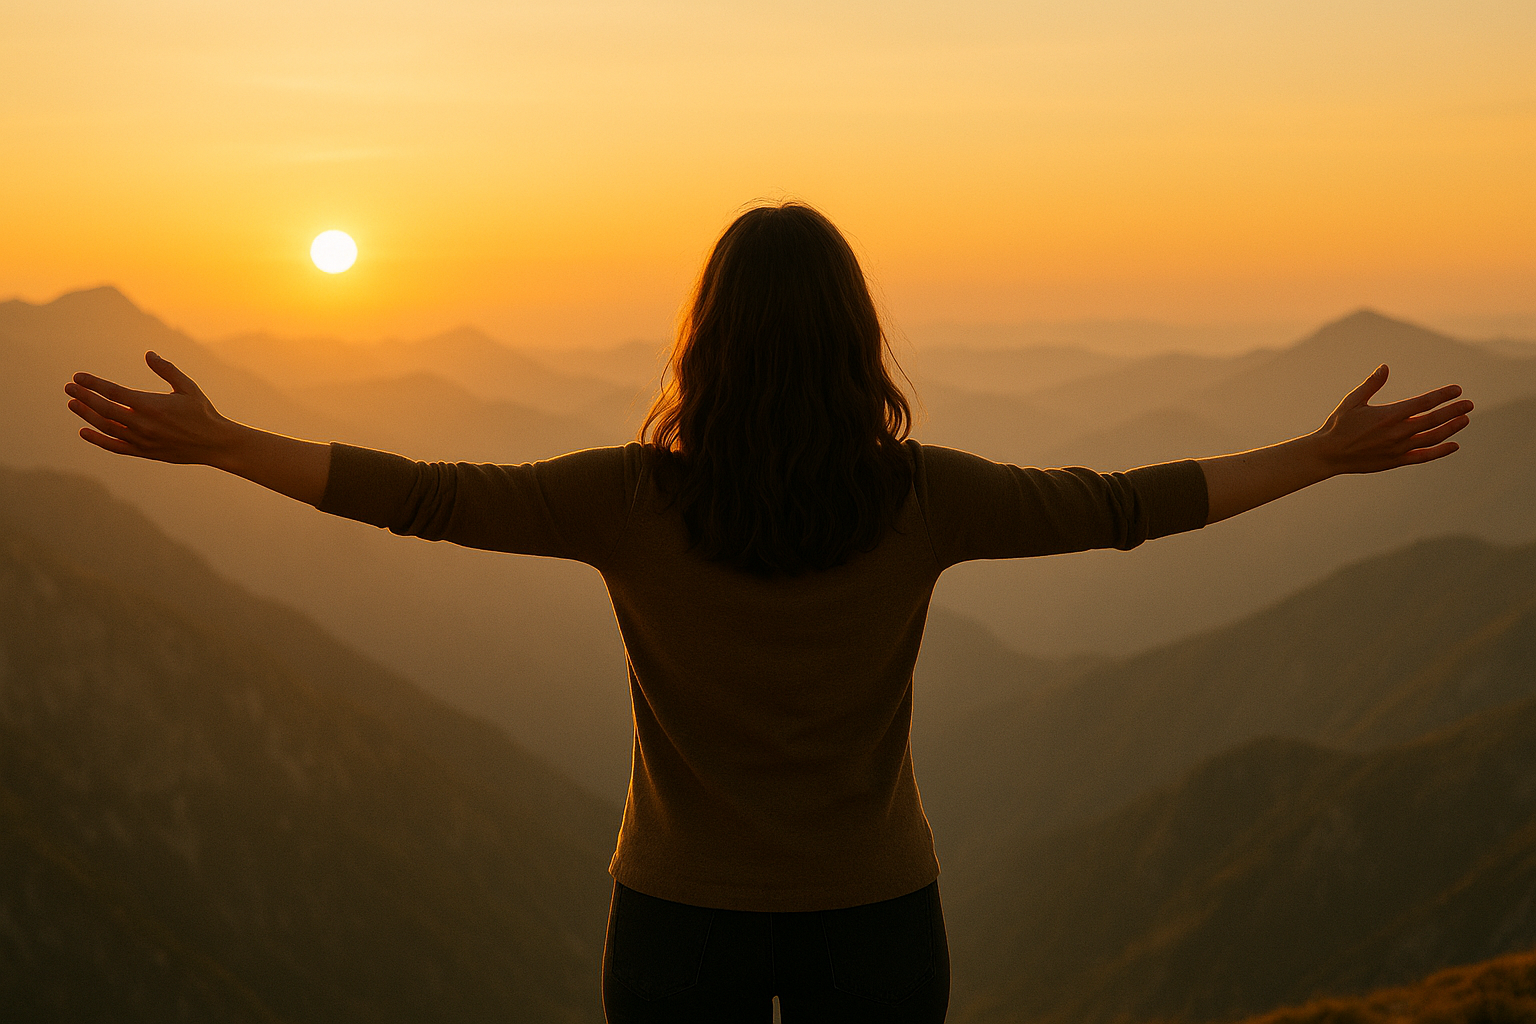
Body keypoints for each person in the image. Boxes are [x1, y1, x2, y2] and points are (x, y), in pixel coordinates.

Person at [64, 201, 1473, 1023]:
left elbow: (423, 493)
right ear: (858, 344)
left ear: (705, 344)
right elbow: (1126, 504)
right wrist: (1318, 455)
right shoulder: (926, 497)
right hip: (878, 914)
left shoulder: (625, 497)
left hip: (677, 920)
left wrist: (231, 443)